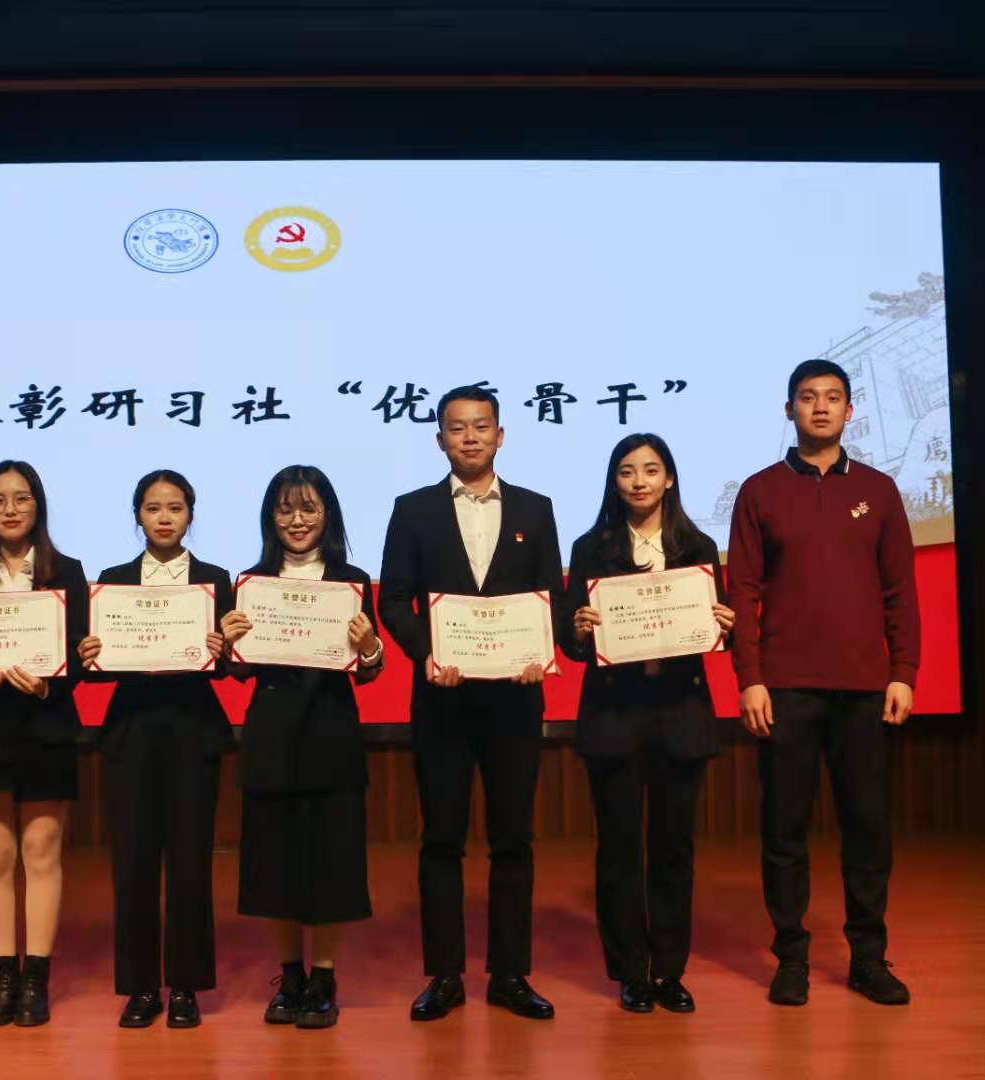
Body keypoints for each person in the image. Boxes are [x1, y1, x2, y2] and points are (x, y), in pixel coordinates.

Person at [727, 358, 920, 1008]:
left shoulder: (879, 490)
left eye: (832, 398)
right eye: (807, 397)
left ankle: (868, 958)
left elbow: (900, 590)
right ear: (789, 410)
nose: (820, 407)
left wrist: (904, 672)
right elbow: (742, 591)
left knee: (867, 828)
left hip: (865, 688)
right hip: (785, 688)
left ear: (849, 411)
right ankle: (791, 959)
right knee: (784, 831)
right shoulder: (759, 491)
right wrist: (750, 679)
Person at [378, 385, 564, 1022]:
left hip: (515, 701)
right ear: (440, 440)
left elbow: (549, 596)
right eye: (457, 428)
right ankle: (446, 975)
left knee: (513, 839)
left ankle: (510, 974)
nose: (470, 438)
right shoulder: (413, 510)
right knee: (441, 840)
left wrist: (540, 651)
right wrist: (426, 652)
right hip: (443, 700)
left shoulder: (536, 509)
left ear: (500, 435)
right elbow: (393, 599)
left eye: (481, 426)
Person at [558, 434, 735, 1014]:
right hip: (614, 717)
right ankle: (631, 972)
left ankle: (670, 970)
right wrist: (579, 630)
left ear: (670, 479)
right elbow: (571, 644)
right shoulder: (591, 548)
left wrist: (724, 625)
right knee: (619, 849)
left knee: (673, 849)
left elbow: (715, 631)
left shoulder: (697, 545)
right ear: (614, 482)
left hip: (680, 715)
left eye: (651, 470)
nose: (639, 481)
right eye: (627, 471)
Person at [221, 466, 385, 1030]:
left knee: (332, 863)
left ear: (327, 515)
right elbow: (236, 669)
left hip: (331, 735)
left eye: (308, 508)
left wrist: (370, 647)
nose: (297, 520)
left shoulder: (351, 580)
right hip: (270, 736)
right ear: (270, 517)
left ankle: (324, 978)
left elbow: (369, 667)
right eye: (285, 509)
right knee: (275, 865)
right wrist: (229, 645)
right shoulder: (251, 582)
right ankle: (289, 976)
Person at [78, 469, 234, 1030]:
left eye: (175, 507)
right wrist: (89, 654)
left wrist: (222, 650)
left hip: (193, 731)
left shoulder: (215, 580)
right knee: (133, 863)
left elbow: (227, 667)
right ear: (137, 516)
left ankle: (186, 986)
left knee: (191, 864)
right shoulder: (112, 581)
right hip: (132, 732)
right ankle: (141, 987)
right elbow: (94, 670)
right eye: (152, 508)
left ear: (190, 514)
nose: (164, 518)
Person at [0, 460, 89, 1028]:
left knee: (42, 853)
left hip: (46, 724)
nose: (10, 509)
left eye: (22, 498)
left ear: (38, 506)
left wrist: (51, 681)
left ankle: (36, 980)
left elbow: (82, 652)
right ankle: (2, 978)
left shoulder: (67, 571)